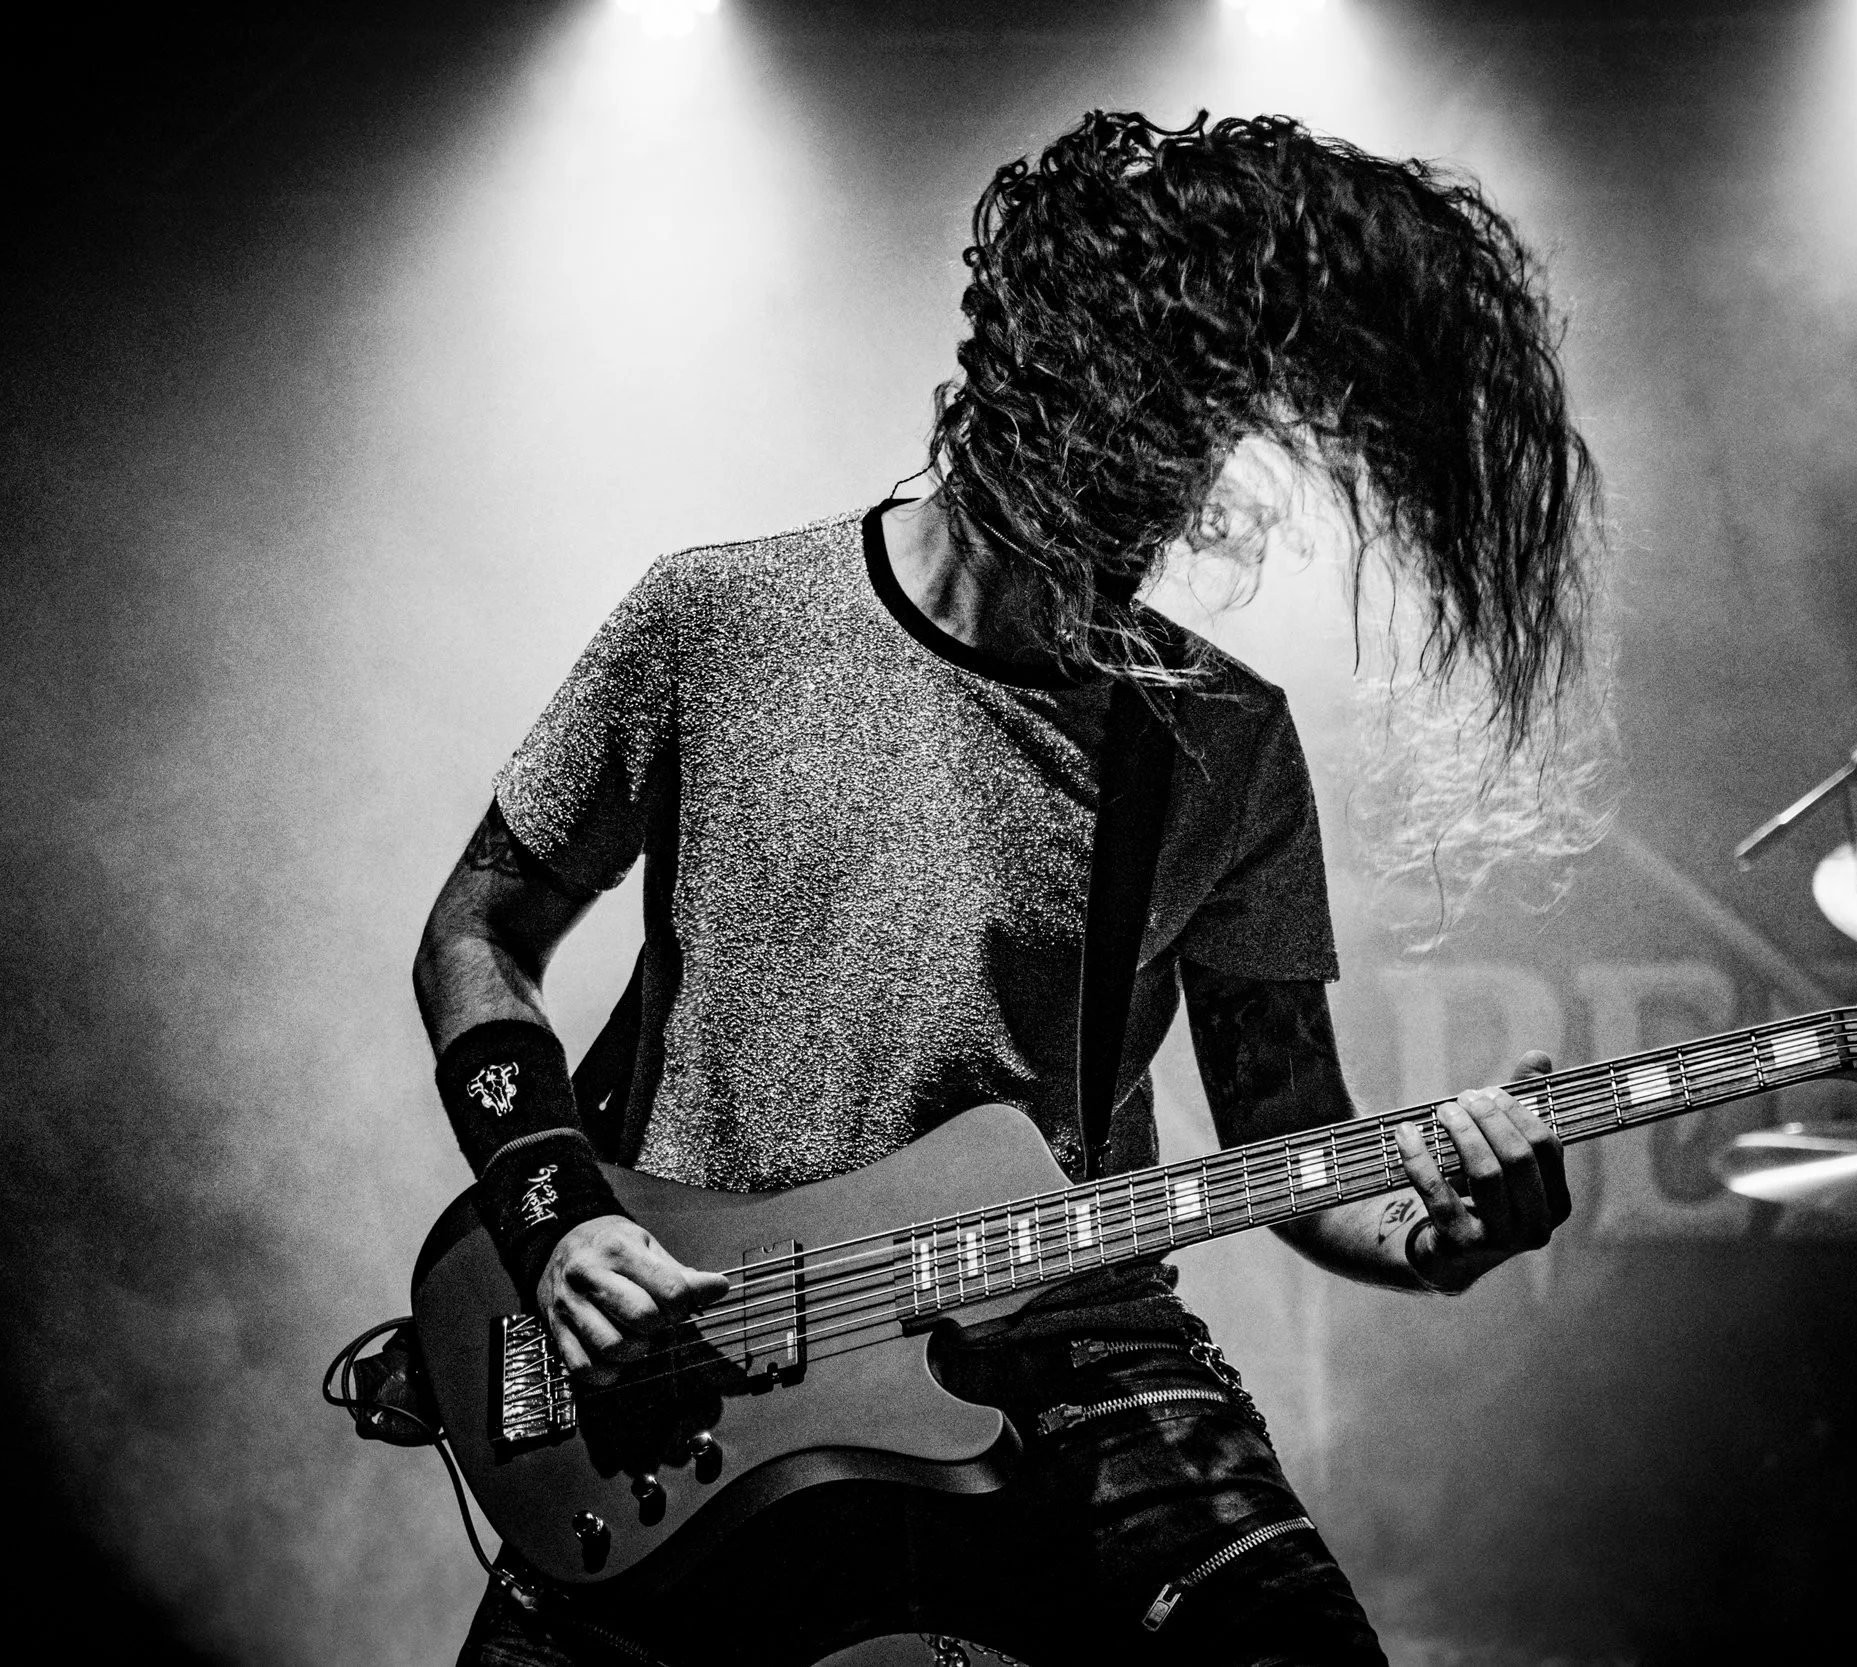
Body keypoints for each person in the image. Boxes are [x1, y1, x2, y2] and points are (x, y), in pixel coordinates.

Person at [413, 110, 1595, 1667]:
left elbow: (1295, 1133)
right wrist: (556, 1219)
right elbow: (476, 931)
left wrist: (1440, 1231)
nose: (1145, 524)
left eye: (1181, 462)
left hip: (1078, 1355)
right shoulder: (719, 620)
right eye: (1114, 464)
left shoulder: (1220, 735)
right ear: (1014, 400)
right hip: (695, 1354)